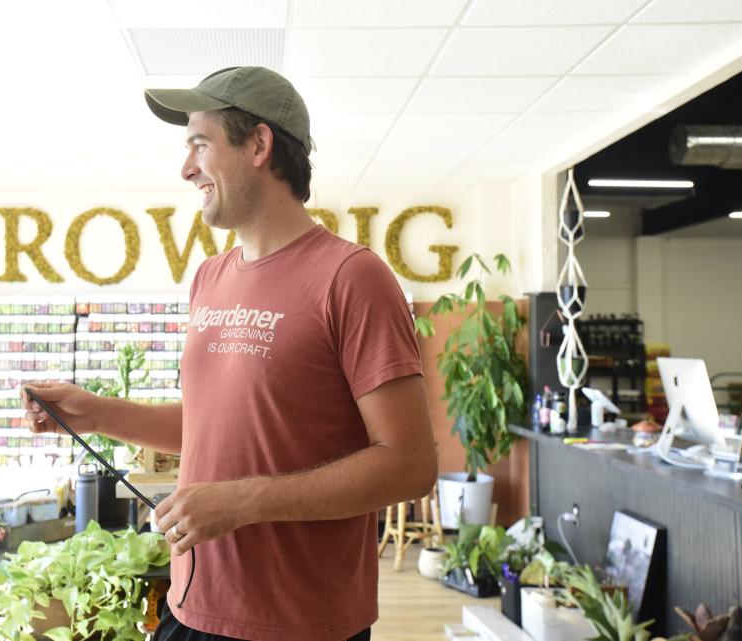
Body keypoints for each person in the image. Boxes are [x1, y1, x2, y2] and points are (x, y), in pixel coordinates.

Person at [23, 66, 438, 641]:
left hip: (298, 624)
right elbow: (217, 427)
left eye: (200, 143)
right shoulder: (210, 278)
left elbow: (410, 463)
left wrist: (246, 501)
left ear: (260, 145)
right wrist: (95, 413)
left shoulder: (351, 277)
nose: (186, 168)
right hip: (192, 603)